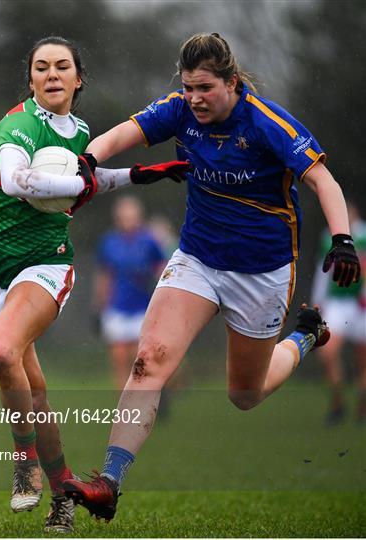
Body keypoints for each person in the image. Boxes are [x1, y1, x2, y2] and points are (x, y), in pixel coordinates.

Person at [60, 32, 362, 521]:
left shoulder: (266, 123)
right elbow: (121, 134)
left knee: (245, 394)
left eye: (205, 88)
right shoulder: (179, 109)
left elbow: (322, 180)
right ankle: (109, 483)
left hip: (262, 273)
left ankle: (305, 336)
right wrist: (89, 160)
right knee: (148, 360)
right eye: (188, 87)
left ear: (232, 82)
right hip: (197, 259)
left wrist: (343, 239)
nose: (195, 98)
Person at [0, 36, 188, 533]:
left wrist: (139, 175)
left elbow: (83, 178)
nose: (52, 74)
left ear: (78, 78)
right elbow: (20, 181)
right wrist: (88, 180)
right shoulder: (16, 125)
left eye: (63, 66)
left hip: (44, 261)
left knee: (1, 354)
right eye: (42, 67)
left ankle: (25, 463)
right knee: (33, 389)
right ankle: (63, 492)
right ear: (31, 79)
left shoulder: (81, 131)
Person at [95, 196, 166, 390]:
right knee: (119, 359)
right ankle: (124, 408)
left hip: (143, 306)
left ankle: (146, 397)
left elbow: (162, 268)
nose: (128, 221)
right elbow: (105, 275)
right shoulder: (109, 242)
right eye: (124, 217)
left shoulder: (149, 240)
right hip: (117, 306)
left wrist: (164, 297)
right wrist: (100, 306)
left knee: (140, 360)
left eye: (131, 216)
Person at [311, 201, 366, 425]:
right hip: (337, 303)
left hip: (361, 305)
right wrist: (317, 303)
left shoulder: (363, 235)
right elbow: (322, 272)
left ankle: (362, 409)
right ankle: (337, 403)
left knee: (362, 360)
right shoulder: (329, 237)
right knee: (327, 352)